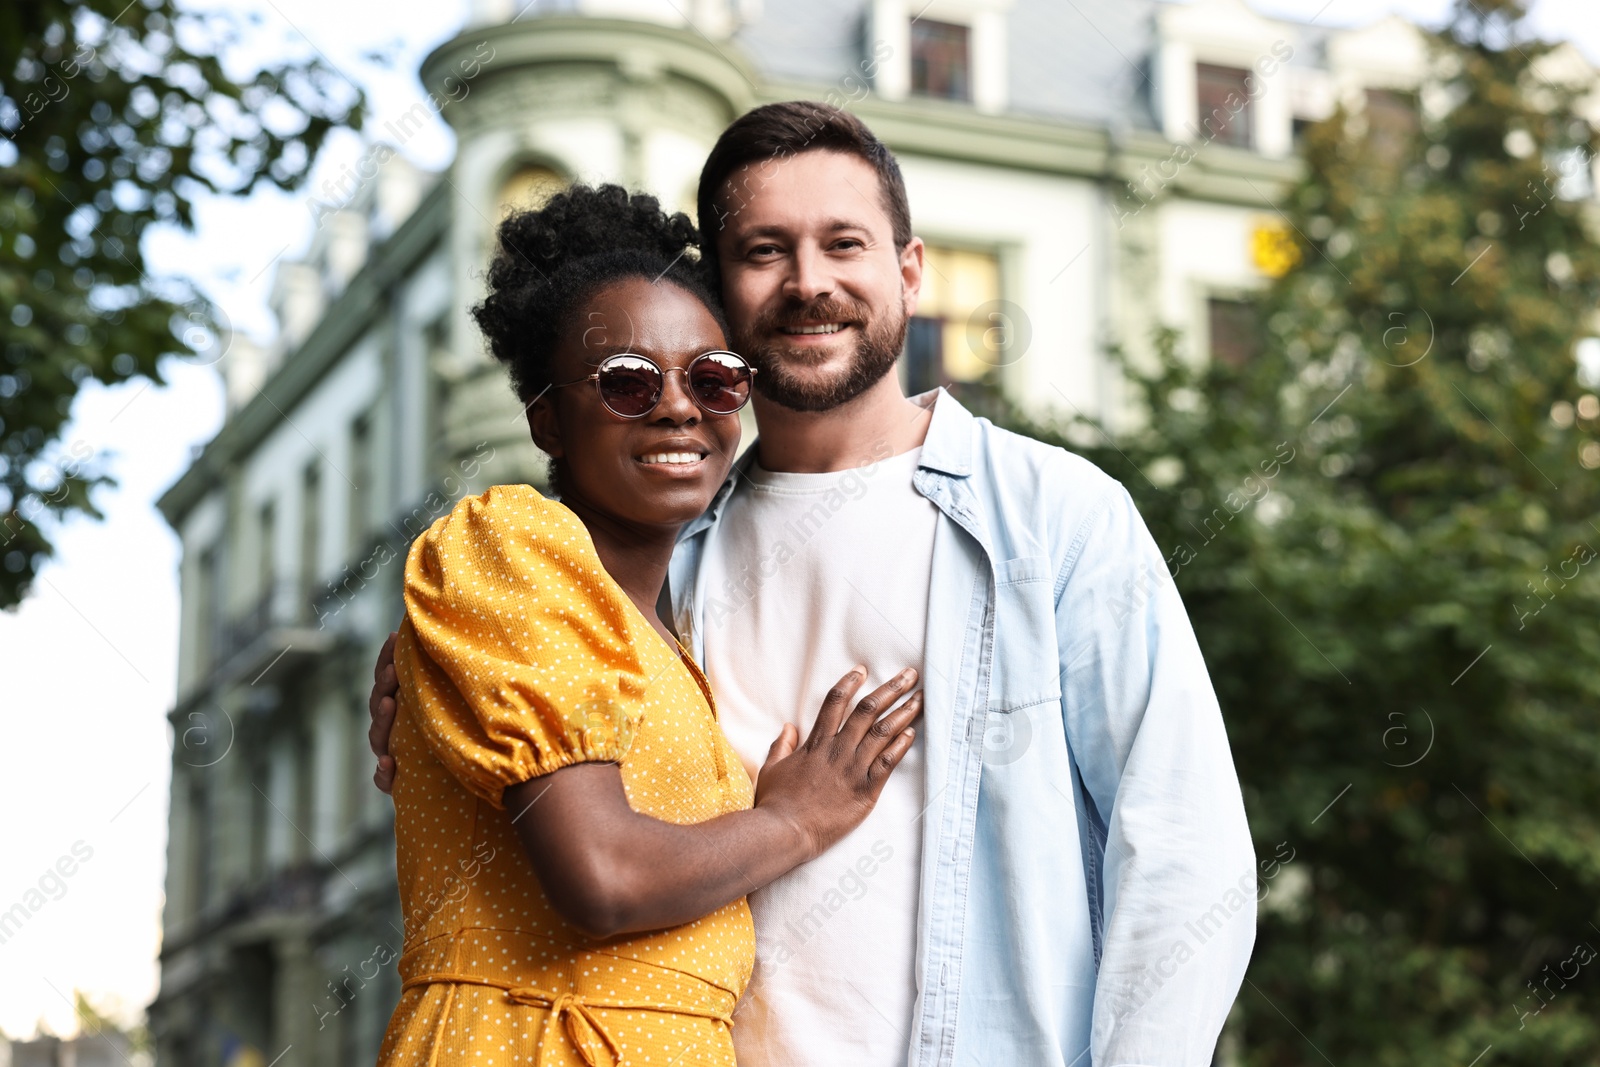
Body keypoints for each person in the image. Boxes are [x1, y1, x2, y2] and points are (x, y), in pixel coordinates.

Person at [372, 103, 1257, 1066]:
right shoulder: (660, 549)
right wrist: (421, 666)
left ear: (909, 272)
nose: (810, 283)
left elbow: (1184, 854)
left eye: (844, 243)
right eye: (765, 250)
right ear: (719, 285)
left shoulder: (1053, 517)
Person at [375, 182, 922, 1067]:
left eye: (714, 377)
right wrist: (799, 819)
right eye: (627, 381)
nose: (678, 406)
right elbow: (605, 875)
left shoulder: (673, 634)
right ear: (546, 418)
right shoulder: (508, 542)